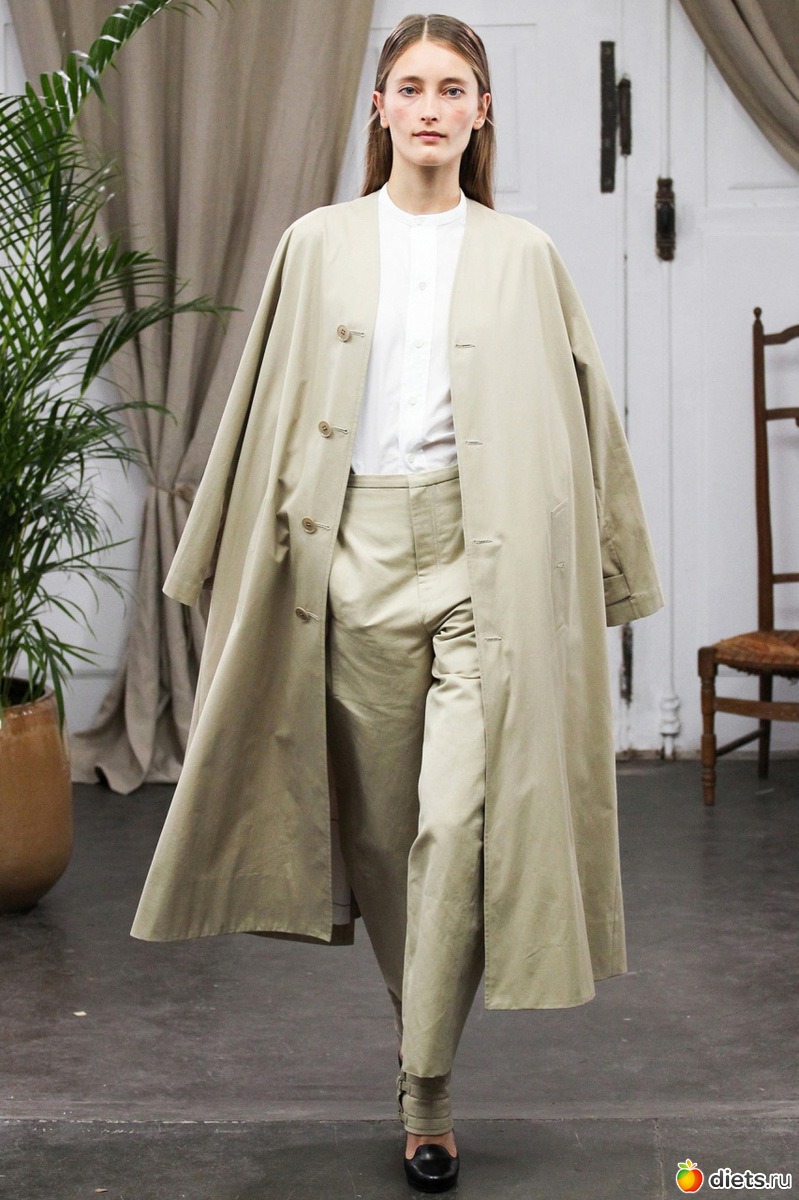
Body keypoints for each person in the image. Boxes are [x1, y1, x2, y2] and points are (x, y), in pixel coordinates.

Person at [132, 12, 663, 1194]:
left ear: (481, 112)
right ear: (378, 108)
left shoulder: (524, 253)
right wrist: (217, 557)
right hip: (350, 559)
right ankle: (417, 1027)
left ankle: (426, 1091)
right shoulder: (316, 243)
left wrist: (614, 569)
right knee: (381, 844)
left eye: (453, 88)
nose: (431, 107)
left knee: (454, 825)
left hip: (484, 562)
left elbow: (586, 420)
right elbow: (258, 405)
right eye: (411, 87)